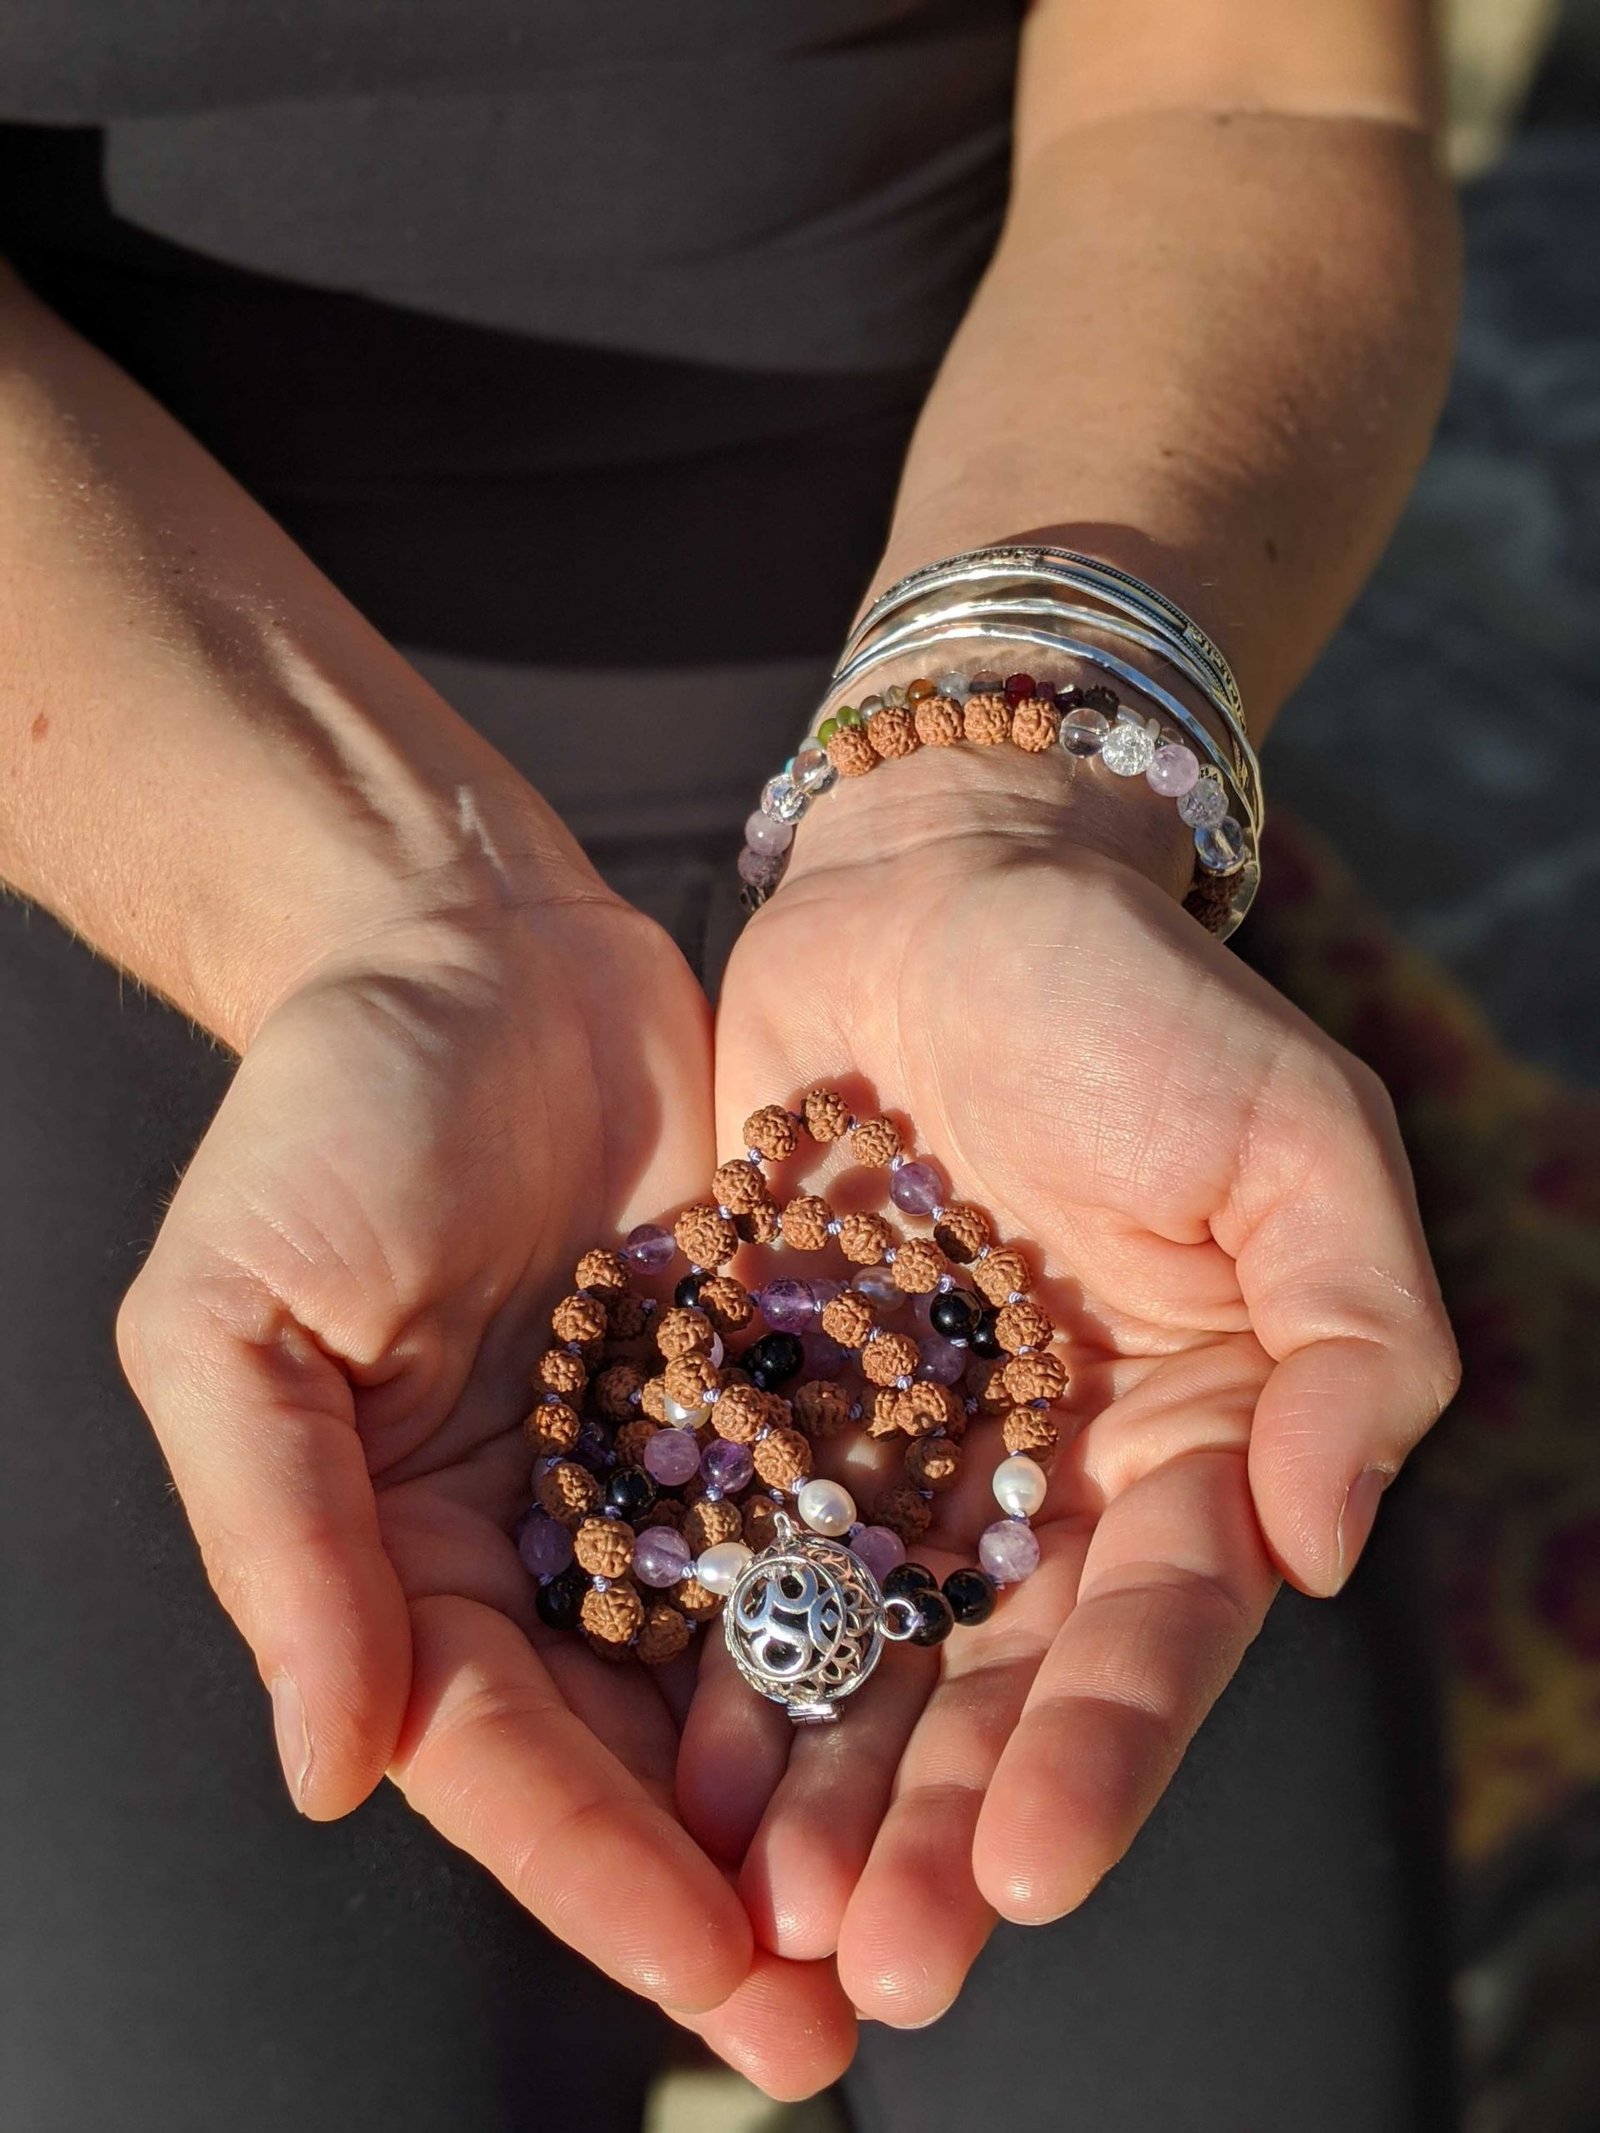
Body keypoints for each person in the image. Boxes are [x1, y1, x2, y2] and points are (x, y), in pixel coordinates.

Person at [0, 1, 1464, 2125]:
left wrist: (1002, 795)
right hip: (147, 807)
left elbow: (1255, 80)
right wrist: (375, 919)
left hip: (1002, 763)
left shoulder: (934, 1312)